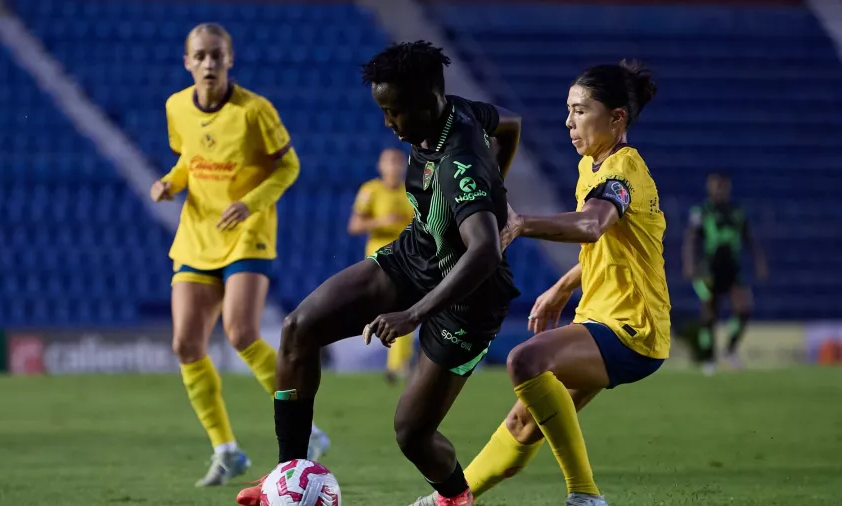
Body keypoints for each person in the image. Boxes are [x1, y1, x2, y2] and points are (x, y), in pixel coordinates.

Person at [236, 40, 523, 506]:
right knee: (298, 330)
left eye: (395, 112)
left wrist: (412, 316)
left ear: (429, 100)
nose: (388, 123)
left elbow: (485, 252)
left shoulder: (460, 163)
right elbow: (510, 122)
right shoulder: (455, 110)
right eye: (383, 110)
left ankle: (455, 497)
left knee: (412, 434)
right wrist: (500, 185)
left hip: (469, 299)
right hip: (416, 256)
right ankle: (286, 476)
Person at [409, 60, 668, 506]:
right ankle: (447, 501)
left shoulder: (623, 172)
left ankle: (585, 496)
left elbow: (590, 227)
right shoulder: (593, 166)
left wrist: (523, 222)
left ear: (616, 117)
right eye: (568, 110)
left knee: (526, 361)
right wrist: (565, 284)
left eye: (581, 111)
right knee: (522, 425)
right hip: (601, 315)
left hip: (631, 327)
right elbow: (616, 248)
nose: (569, 122)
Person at [149, 22, 329, 488]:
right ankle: (226, 450)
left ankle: (304, 430)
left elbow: (289, 165)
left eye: (217, 55)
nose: (209, 63)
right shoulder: (175, 107)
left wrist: (249, 202)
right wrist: (172, 181)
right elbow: (188, 159)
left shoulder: (255, 111)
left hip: (248, 232)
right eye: (201, 56)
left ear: (230, 60)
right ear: (187, 62)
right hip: (197, 236)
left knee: (241, 332)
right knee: (186, 344)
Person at [683, 172, 768, 374]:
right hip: (710, 269)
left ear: (728, 188)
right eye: (716, 186)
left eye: (722, 187)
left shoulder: (737, 212)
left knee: (744, 308)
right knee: (709, 315)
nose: (719, 191)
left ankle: (729, 349)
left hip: (733, 268)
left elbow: (750, 238)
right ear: (710, 188)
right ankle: (708, 359)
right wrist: (690, 264)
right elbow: (692, 239)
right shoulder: (702, 211)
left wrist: (760, 262)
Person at [348, 148, 416, 383]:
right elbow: (355, 224)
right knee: (392, 306)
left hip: (407, 257)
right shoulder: (371, 190)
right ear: (381, 166)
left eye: (398, 163)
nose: (394, 167)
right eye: (389, 162)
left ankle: (398, 364)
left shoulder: (411, 190)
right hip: (379, 258)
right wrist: (381, 221)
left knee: (404, 305)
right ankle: (400, 361)